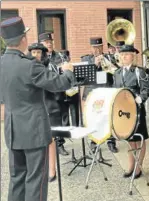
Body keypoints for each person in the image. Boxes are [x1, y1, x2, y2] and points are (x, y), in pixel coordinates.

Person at [0, 16, 75, 201]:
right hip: (33, 131)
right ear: (23, 39)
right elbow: (59, 83)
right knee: (36, 180)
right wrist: (68, 70)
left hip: (12, 130)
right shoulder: (29, 65)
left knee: (17, 179)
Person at [112, 44, 149, 178]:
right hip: (123, 111)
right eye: (121, 55)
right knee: (129, 139)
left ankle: (139, 167)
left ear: (132, 57)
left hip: (136, 110)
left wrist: (140, 99)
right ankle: (131, 166)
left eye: (126, 55)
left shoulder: (139, 71)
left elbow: (145, 90)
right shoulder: (116, 73)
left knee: (139, 139)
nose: (123, 57)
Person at [27, 43, 60, 182]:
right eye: (33, 52)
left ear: (43, 54)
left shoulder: (49, 66)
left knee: (50, 140)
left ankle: (52, 171)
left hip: (49, 106)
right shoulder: (28, 68)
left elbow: (55, 84)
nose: (36, 55)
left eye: (38, 52)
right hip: (35, 108)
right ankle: (41, 169)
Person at [81, 37, 118, 153]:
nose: (97, 49)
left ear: (103, 47)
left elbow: (116, 72)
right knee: (94, 118)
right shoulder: (86, 59)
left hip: (107, 91)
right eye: (95, 47)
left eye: (99, 47)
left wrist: (107, 62)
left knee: (109, 117)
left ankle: (111, 142)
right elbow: (84, 77)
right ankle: (94, 141)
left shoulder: (110, 57)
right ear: (91, 48)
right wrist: (94, 64)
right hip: (93, 93)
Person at [39, 32, 71, 156]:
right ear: (42, 44)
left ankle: (60, 144)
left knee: (62, 119)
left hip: (60, 92)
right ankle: (50, 143)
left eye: (51, 42)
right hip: (47, 96)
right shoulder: (40, 58)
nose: (49, 44)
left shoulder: (59, 56)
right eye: (47, 42)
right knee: (50, 121)